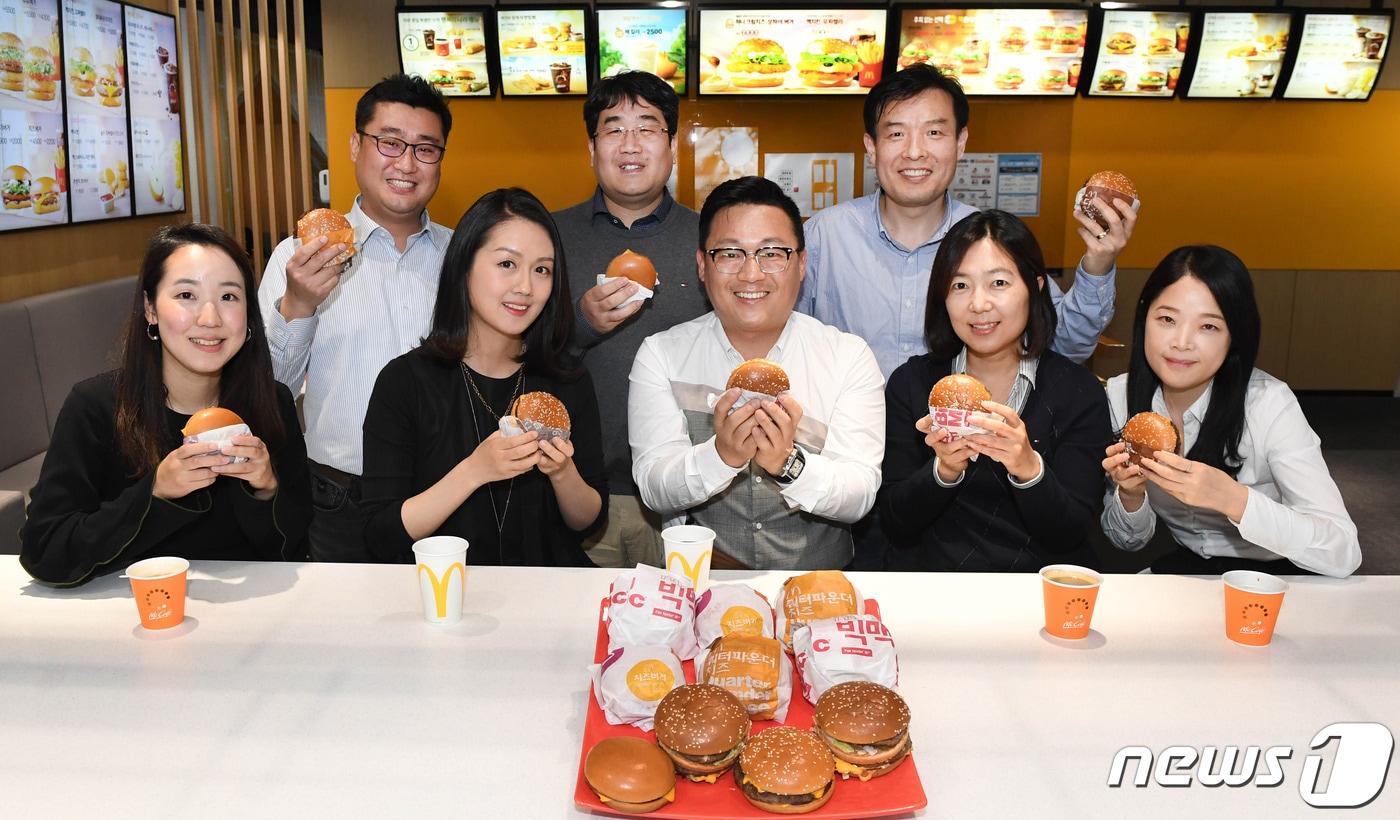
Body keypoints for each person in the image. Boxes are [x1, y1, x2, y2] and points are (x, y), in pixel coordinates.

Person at [799, 65, 1137, 378]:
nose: (915, 152)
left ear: (960, 143)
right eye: (897, 134)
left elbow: (1065, 344)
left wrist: (1098, 264)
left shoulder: (993, 240)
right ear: (871, 147)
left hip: (962, 438)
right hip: (843, 439)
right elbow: (781, 342)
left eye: (934, 132)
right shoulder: (822, 237)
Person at [21, 224, 311, 586]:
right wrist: (154, 492)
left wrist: (267, 489)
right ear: (150, 308)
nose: (210, 319)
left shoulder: (273, 402)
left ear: (248, 314)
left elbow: (298, 551)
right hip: (132, 621)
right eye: (186, 295)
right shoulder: (97, 407)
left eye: (229, 297)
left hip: (252, 623)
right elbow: (45, 550)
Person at [629, 177, 884, 570]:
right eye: (730, 253)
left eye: (772, 253)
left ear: (801, 264)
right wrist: (720, 456)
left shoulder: (847, 357)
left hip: (819, 579)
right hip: (708, 578)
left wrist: (788, 463)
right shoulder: (662, 355)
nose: (751, 274)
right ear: (702, 266)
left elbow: (860, 493)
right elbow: (653, 486)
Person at [258, 74, 453, 563]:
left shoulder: (464, 257)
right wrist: (298, 305)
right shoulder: (298, 256)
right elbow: (268, 393)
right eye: (390, 142)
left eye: (426, 149)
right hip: (339, 498)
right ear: (354, 144)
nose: (407, 163)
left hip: (447, 492)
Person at [360, 188, 604, 566]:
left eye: (542, 269)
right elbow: (382, 533)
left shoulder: (567, 379)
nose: (525, 287)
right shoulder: (404, 382)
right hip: (446, 597)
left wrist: (562, 471)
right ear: (464, 266)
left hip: (547, 595)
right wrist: (475, 471)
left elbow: (587, 522)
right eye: (507, 264)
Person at [1101, 245, 1360, 578]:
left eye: (1208, 327)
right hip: (1192, 568)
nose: (1181, 342)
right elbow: (1128, 542)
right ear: (1143, 319)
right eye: (1166, 319)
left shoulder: (1268, 404)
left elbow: (1343, 552)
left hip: (1282, 574)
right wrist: (1131, 494)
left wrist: (1234, 499)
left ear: (1234, 335)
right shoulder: (1121, 396)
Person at [880, 210, 1111, 572]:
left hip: (1036, 595)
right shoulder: (911, 384)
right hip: (934, 590)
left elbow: (1073, 533)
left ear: (1035, 287)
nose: (978, 304)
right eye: (960, 285)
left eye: (999, 283)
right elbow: (894, 523)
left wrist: (1028, 468)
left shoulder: (1078, 392)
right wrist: (943, 471)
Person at [552, 71, 709, 569]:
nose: (630, 144)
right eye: (613, 128)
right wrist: (581, 324)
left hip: (691, 494)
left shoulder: (712, 238)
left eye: (647, 127)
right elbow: (515, 352)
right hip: (575, 487)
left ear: (672, 145)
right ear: (591, 147)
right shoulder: (551, 236)